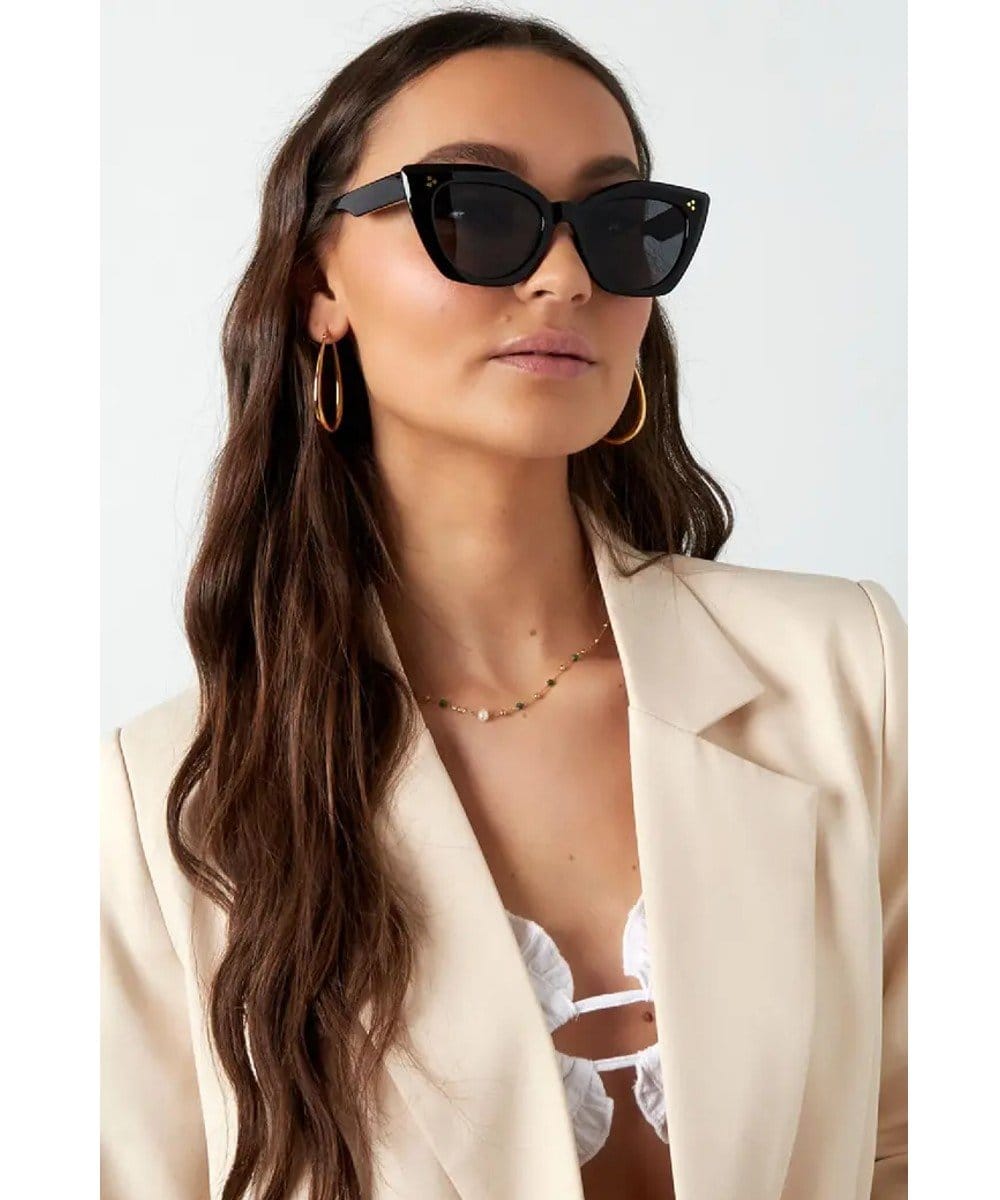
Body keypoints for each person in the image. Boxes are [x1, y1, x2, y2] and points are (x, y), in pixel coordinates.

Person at [100, 9, 907, 1200]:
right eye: (474, 210)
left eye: (619, 223)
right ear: (319, 281)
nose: (567, 274)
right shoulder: (164, 810)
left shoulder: (850, 675)